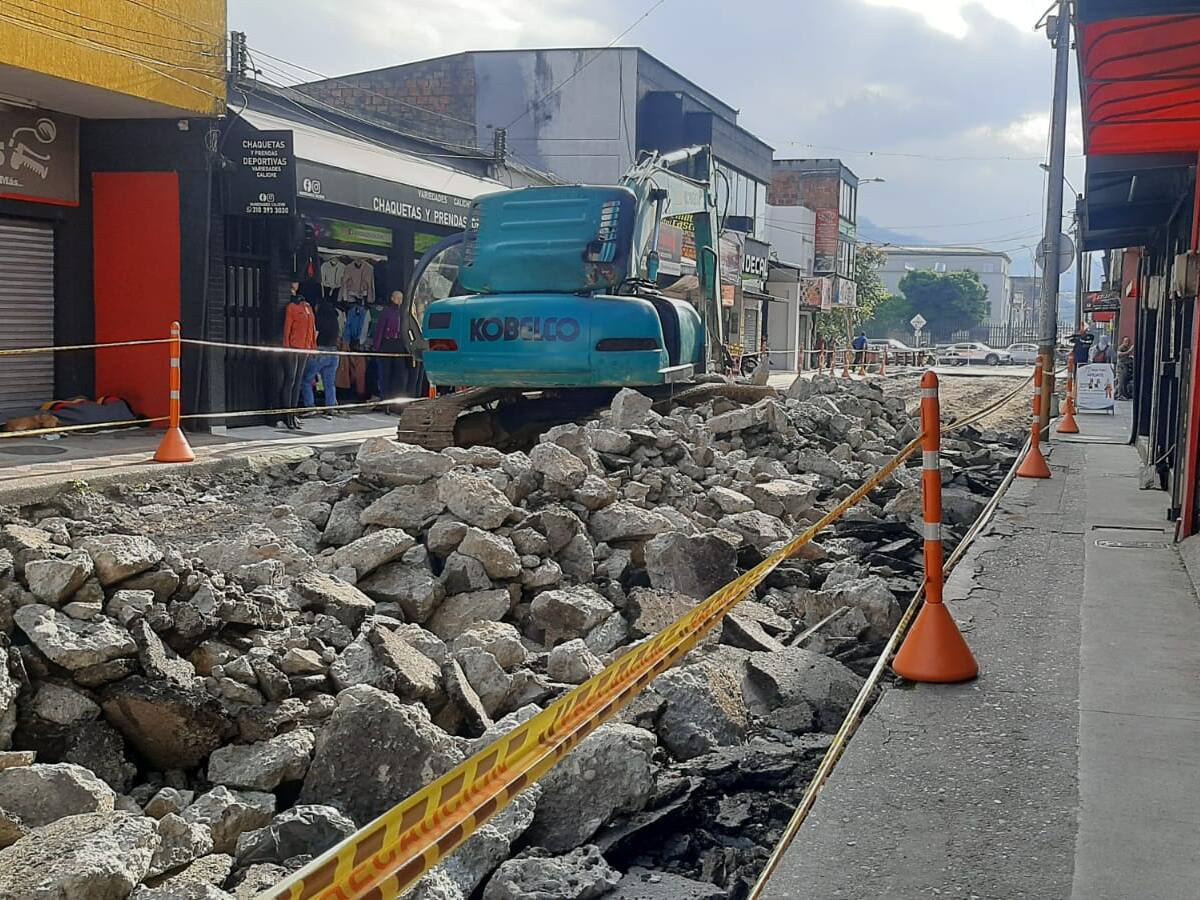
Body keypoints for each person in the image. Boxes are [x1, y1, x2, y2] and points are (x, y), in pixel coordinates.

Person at [278, 280, 316, 430]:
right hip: (294, 347)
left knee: (298, 381)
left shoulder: (308, 307)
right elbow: (287, 328)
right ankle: (287, 415)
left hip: (304, 348)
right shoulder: (291, 307)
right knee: (290, 380)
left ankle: (293, 414)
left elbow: (312, 329)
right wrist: (287, 347)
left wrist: (312, 347)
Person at [301, 297, 342, 417]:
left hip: (320, 351)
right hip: (334, 352)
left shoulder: (319, 318)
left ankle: (310, 406)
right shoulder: (335, 319)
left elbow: (315, 336)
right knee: (329, 383)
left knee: (306, 380)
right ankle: (331, 407)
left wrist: (310, 350)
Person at [374, 290, 407, 406]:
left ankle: (397, 401)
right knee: (385, 373)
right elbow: (380, 330)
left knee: (399, 373)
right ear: (392, 298)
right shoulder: (386, 311)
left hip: (399, 344)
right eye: (397, 298)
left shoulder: (404, 312)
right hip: (387, 344)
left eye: (401, 298)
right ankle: (385, 400)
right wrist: (377, 347)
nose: (399, 301)